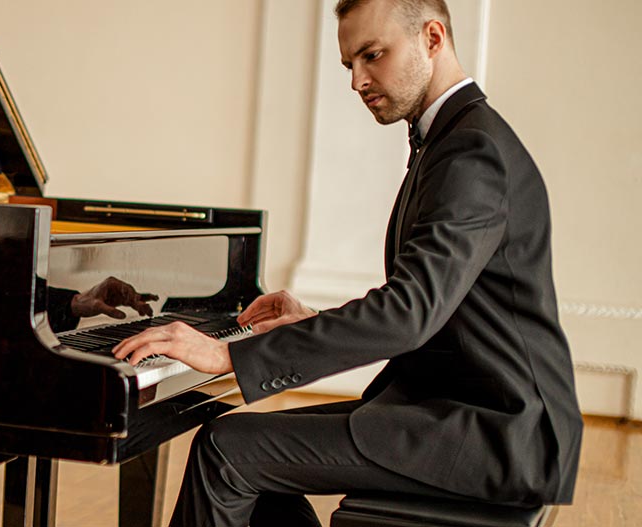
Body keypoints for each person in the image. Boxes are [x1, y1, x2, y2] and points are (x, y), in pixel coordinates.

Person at [112, 0, 582, 525]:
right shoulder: (455, 138)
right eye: (348, 65)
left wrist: (230, 358)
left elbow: (409, 312)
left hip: (496, 432)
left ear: (432, 37)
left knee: (227, 451)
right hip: (464, 412)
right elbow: (437, 304)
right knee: (238, 444)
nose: (357, 80)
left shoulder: (471, 150)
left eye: (372, 55)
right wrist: (313, 322)